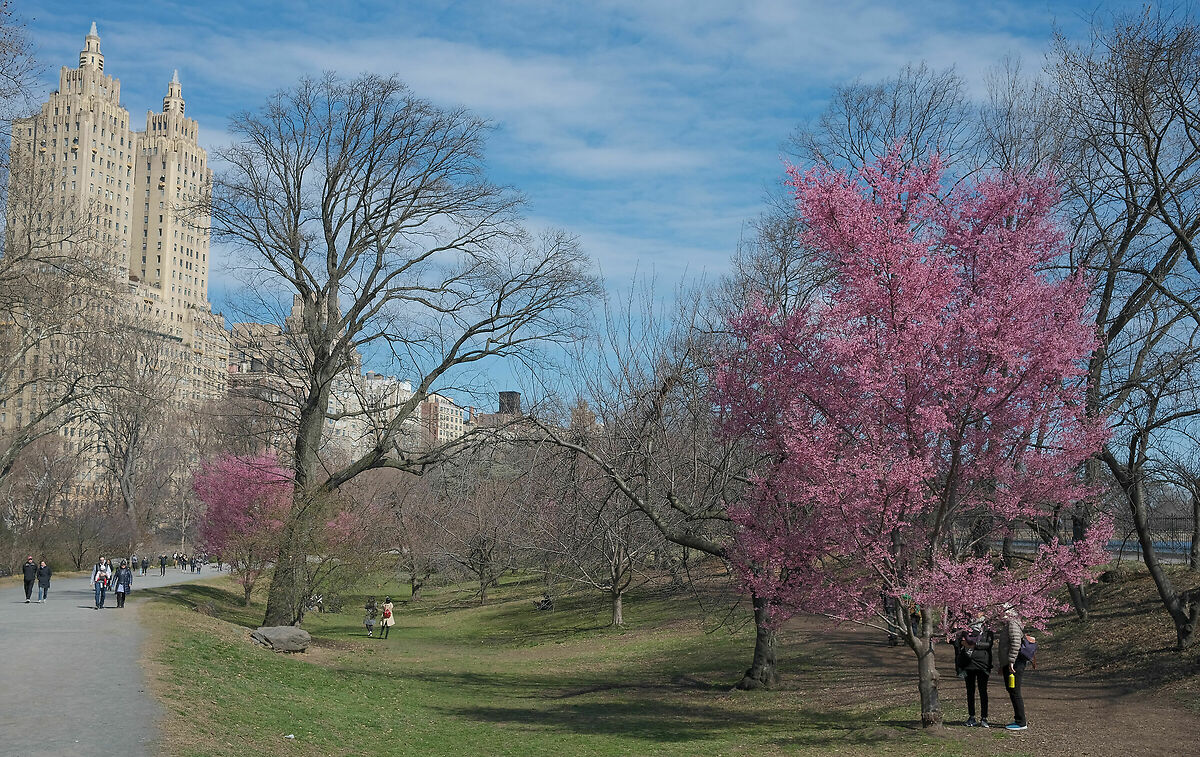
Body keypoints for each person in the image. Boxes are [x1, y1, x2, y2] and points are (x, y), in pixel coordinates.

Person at [955, 614, 993, 728]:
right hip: (968, 663)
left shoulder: (987, 628)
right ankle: (971, 716)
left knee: (983, 691)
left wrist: (974, 645)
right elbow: (958, 641)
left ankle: (984, 717)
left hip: (983, 663)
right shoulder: (966, 626)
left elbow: (989, 644)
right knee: (970, 691)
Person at [1002, 607, 1031, 731]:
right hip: (1012, 662)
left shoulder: (1012, 624)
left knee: (1014, 690)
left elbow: (1015, 643)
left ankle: (1021, 721)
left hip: (1015, 663)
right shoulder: (1011, 624)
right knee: (1012, 689)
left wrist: (1011, 661)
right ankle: (1018, 719)